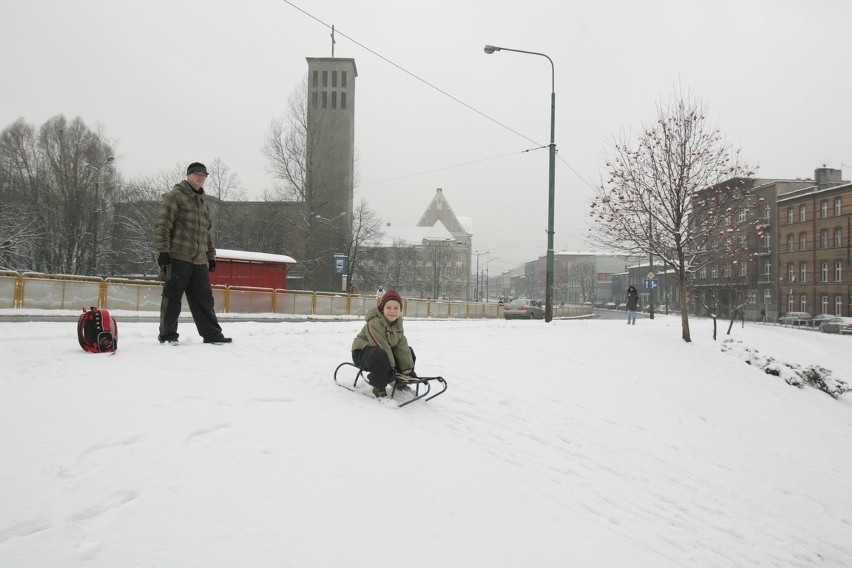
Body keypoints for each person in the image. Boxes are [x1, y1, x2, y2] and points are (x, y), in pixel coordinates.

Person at [154, 162, 231, 345]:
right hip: (179, 256)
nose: (201, 177)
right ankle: (168, 336)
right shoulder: (175, 196)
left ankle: (212, 335)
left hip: (200, 260)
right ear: (188, 175)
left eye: (204, 175)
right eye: (197, 174)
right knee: (172, 297)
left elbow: (206, 232)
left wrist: (210, 255)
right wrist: (163, 250)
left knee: (204, 299)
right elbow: (163, 224)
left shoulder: (203, 202)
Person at [351, 290, 415, 398]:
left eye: (396, 308)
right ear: (382, 308)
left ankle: (400, 381)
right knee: (381, 354)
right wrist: (390, 370)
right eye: (388, 308)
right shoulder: (375, 322)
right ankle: (378, 386)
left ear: (400, 310)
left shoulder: (398, 324)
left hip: (382, 352)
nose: (392, 311)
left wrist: (407, 370)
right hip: (362, 353)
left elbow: (401, 345)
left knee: (408, 350)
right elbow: (381, 344)